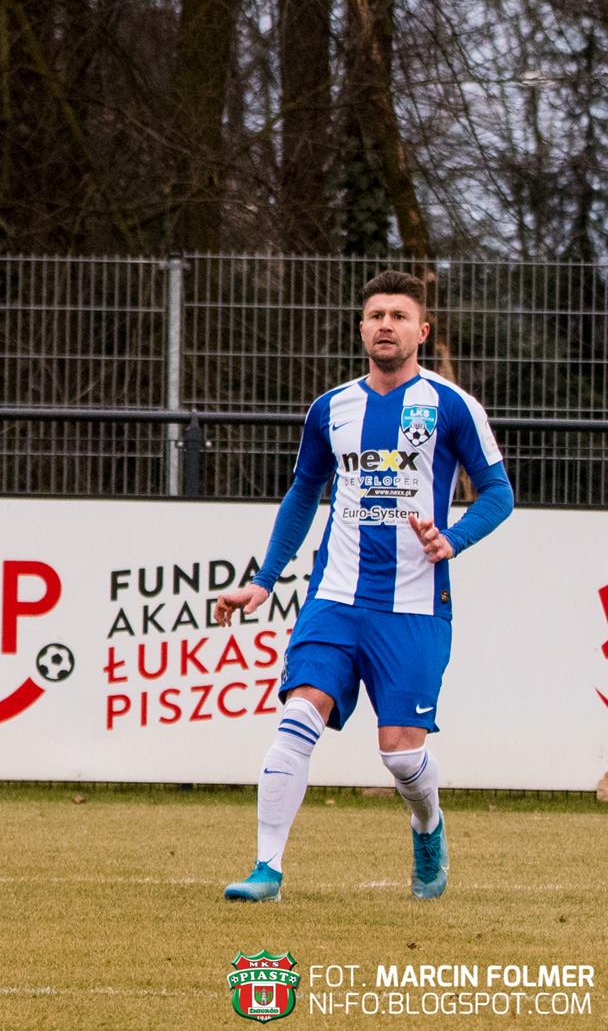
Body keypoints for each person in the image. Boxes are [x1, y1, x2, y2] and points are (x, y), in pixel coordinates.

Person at [214, 270, 514, 901]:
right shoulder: (331, 408)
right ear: (361, 328)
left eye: (399, 316)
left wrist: (452, 539)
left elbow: (498, 493)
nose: (386, 325)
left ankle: (427, 825)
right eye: (376, 315)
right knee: (298, 715)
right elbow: (303, 493)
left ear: (422, 331)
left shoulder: (452, 406)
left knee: (401, 756)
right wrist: (263, 581)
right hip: (334, 598)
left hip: (413, 606)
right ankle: (266, 869)